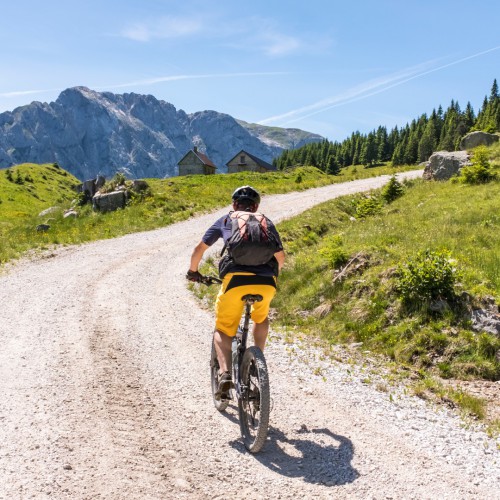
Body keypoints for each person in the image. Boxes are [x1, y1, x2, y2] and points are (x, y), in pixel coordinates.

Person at [187, 185, 285, 399]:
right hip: (267, 282)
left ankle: (225, 375)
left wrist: (193, 272)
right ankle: (256, 360)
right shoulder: (266, 222)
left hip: (235, 282)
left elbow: (199, 250)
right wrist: (272, 278)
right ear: (256, 206)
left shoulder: (226, 220)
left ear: (234, 205)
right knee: (261, 318)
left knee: (222, 330)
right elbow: (281, 258)